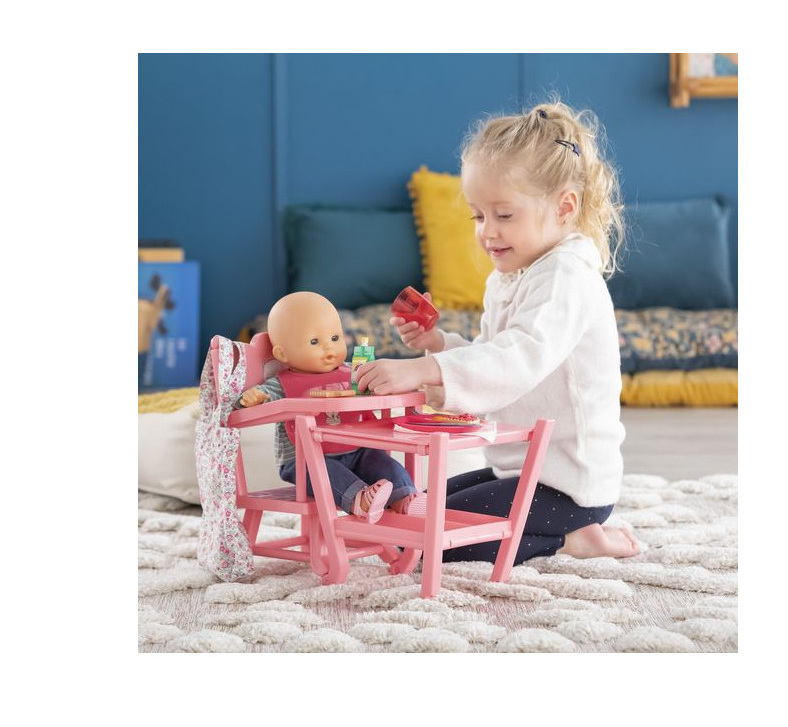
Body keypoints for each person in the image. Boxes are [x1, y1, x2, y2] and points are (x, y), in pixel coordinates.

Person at [354, 101, 640, 564]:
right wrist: (438, 345)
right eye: (478, 216)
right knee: (414, 511)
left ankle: (572, 537)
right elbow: (492, 356)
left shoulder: (566, 276)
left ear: (564, 207)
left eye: (504, 215)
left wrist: (424, 370)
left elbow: (517, 358)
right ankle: (566, 532)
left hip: (569, 486)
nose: (487, 232)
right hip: (526, 472)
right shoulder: (510, 279)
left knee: (420, 542)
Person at [238, 291, 426, 523]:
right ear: (282, 354)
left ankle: (404, 498)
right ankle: (359, 500)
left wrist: (389, 385)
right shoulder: (280, 383)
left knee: (381, 460)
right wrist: (256, 397)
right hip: (303, 460)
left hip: (356, 450)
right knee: (323, 469)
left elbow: (375, 386)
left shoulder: (353, 372)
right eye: (314, 342)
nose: (329, 349)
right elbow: (259, 399)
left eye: (335, 338)